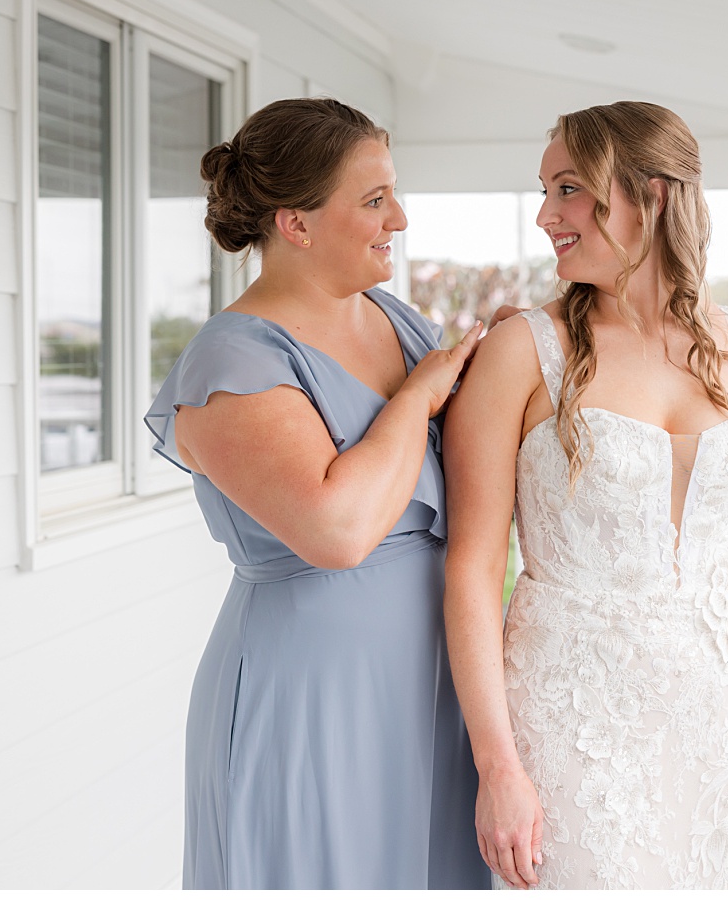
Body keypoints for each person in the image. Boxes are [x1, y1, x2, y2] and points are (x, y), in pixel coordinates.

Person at [443, 102, 728, 889]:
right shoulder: (521, 353)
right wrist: (497, 763)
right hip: (573, 727)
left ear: (653, 193)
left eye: (568, 189)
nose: (545, 216)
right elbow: (472, 570)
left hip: (720, 724)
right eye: (545, 191)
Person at [144, 98, 489, 889]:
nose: (397, 217)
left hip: (430, 681)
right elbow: (336, 531)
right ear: (294, 223)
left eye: (393, 194)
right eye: (373, 201)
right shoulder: (230, 365)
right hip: (312, 690)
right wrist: (417, 397)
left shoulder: (394, 321)